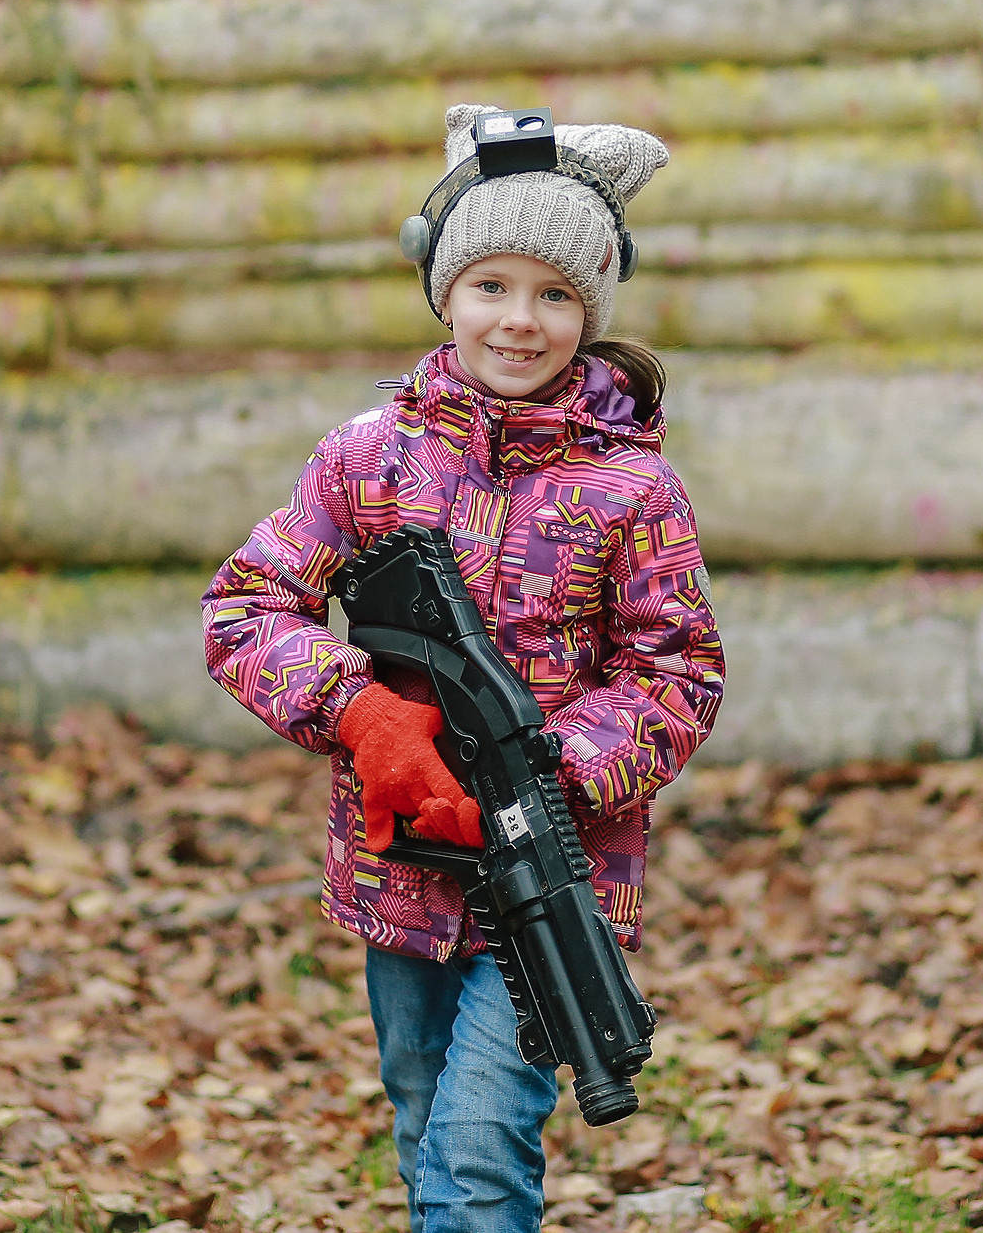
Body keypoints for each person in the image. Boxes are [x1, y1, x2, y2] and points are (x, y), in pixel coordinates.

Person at [203, 104, 724, 1233]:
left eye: (553, 295)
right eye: (490, 284)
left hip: (552, 873)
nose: (518, 321)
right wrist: (364, 715)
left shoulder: (633, 490)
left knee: (479, 1153)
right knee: (423, 1118)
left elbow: (676, 674)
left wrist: (551, 768)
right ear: (444, 291)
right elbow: (245, 607)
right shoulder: (367, 454)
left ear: (590, 312)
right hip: (397, 871)